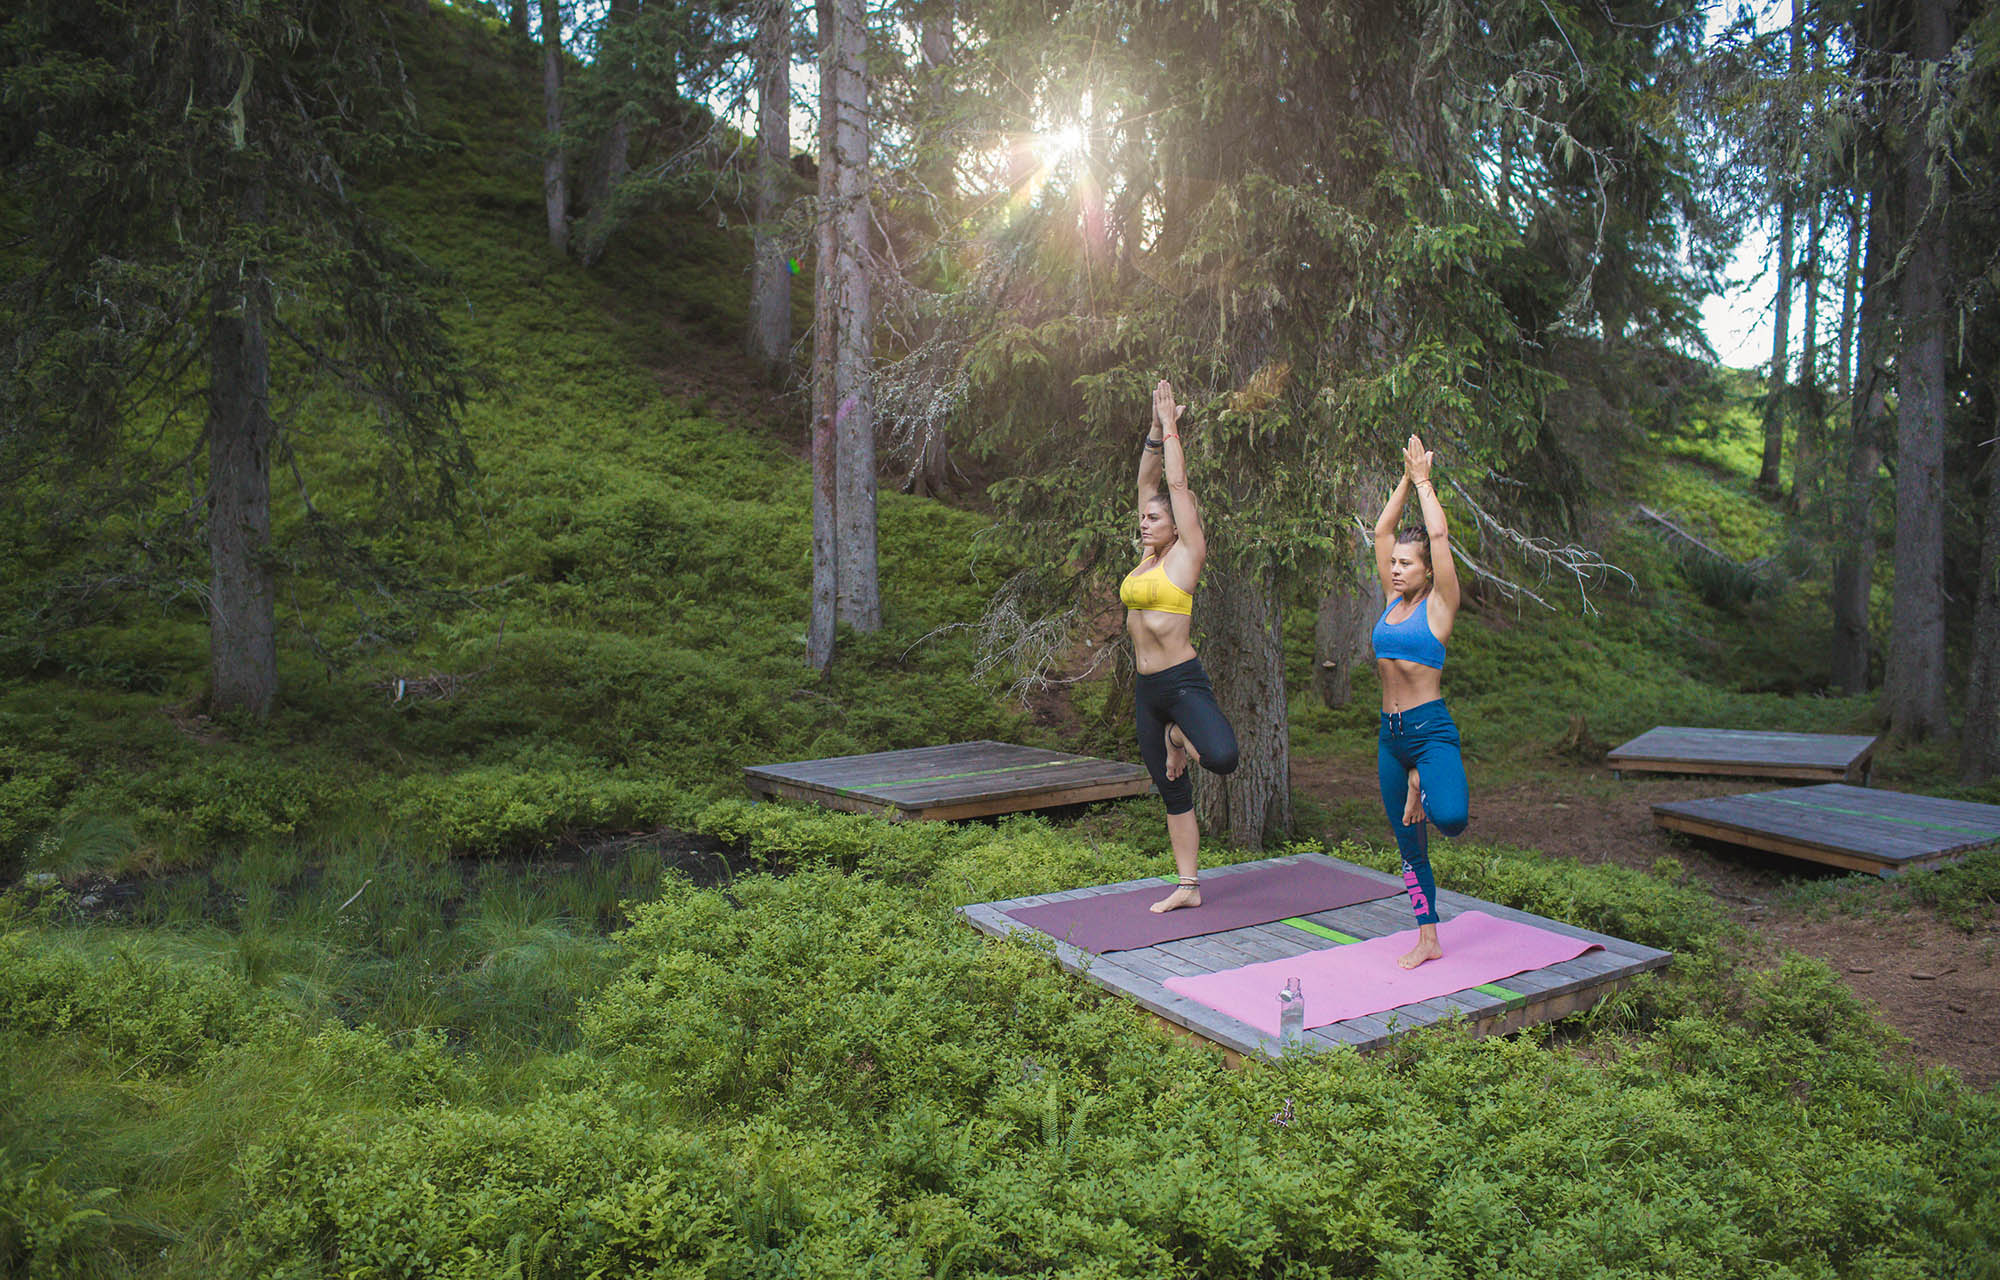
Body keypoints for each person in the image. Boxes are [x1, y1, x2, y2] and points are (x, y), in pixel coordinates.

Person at [1123, 378, 1240, 913]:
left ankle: (1178, 734)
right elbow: (1148, 482)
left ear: (1177, 526)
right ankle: (1188, 887)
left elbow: (1175, 483)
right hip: (1146, 688)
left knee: (1220, 756)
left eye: (1154, 518)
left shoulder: (1186, 554)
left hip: (1181, 681)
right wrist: (1151, 429)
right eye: (1143, 518)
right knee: (1172, 793)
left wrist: (1172, 430)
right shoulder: (1146, 556)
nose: (1144, 523)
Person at [1370, 433, 1467, 968]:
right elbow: (1383, 529)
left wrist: (1427, 484)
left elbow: (1439, 531)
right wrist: (1405, 479)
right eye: (1395, 563)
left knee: (1449, 819)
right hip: (1391, 737)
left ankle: (1422, 783)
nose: (1397, 568)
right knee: (1409, 847)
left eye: (1408, 563)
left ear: (1428, 570)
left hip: (1430, 733)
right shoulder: (1390, 601)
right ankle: (1427, 935)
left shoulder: (1440, 607)